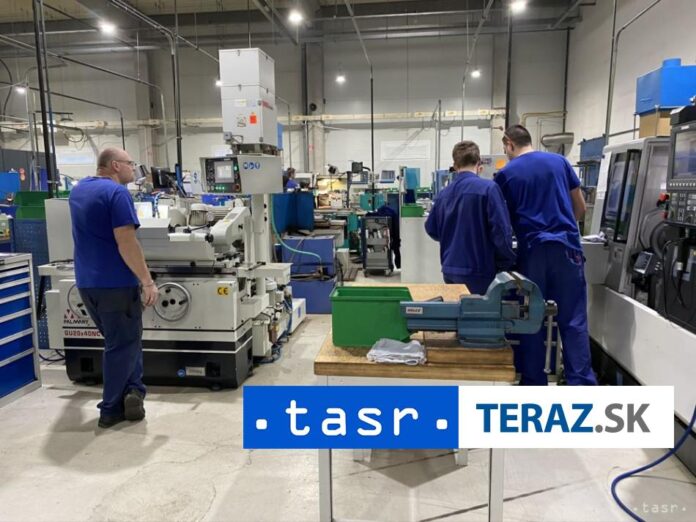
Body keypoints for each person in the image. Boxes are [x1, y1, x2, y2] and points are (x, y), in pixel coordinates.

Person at [495, 124, 597, 386]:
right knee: (573, 319)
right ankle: (582, 385)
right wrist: (561, 228)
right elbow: (580, 208)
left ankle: (534, 382)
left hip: (532, 252)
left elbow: (501, 221)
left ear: (509, 144)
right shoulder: (560, 162)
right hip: (567, 249)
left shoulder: (505, 174)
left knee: (531, 318)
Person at [69, 147, 159, 428]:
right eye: (131, 163)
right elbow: (126, 242)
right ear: (116, 166)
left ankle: (133, 393)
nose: (134, 168)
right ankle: (110, 409)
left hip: (88, 283)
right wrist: (147, 281)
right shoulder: (117, 193)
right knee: (121, 346)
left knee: (125, 342)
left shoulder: (79, 190)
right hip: (116, 285)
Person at [425, 141, 516, 294]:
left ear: (455, 165)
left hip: (450, 270)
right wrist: (507, 261)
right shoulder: (489, 189)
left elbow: (431, 229)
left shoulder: (443, 194)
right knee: (480, 309)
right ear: (479, 162)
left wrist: (452, 238)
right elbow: (501, 230)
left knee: (457, 307)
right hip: (480, 270)